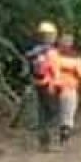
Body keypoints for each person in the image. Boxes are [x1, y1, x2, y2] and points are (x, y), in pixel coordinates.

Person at [25, 22, 60, 150]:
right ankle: (50, 142)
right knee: (52, 114)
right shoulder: (51, 52)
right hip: (50, 85)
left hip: (38, 84)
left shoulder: (34, 52)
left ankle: (42, 142)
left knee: (42, 113)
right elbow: (55, 70)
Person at [53, 33, 81, 146]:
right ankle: (65, 129)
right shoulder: (75, 57)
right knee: (68, 109)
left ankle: (63, 130)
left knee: (64, 110)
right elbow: (80, 73)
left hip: (59, 86)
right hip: (66, 86)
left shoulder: (55, 54)